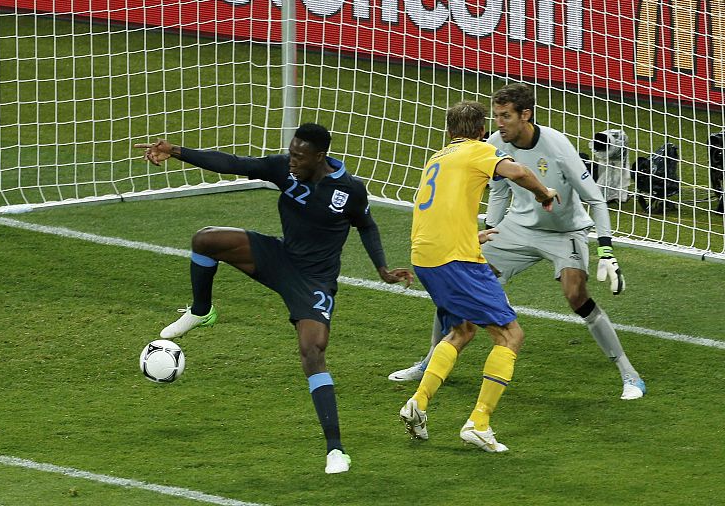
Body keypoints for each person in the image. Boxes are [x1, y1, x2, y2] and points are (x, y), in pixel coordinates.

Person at [135, 123, 412, 474]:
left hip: (313, 280)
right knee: (205, 240)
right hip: (280, 257)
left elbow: (367, 225)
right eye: (291, 153)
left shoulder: (349, 190)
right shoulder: (284, 169)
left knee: (312, 352)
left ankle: (335, 450)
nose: (292, 161)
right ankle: (201, 311)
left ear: (319, 156)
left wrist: (382, 268)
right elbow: (234, 164)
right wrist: (176, 151)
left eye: (299, 156)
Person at [389, 83, 647, 401]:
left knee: (576, 294)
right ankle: (430, 360)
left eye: (506, 116)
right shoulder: (494, 143)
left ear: (525, 115)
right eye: (496, 116)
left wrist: (606, 252)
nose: (498, 123)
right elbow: (498, 194)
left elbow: (595, 199)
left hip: (565, 232)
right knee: (459, 281)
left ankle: (629, 374)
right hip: (517, 228)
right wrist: (489, 233)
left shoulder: (556, 145)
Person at [398, 101, 558, 452]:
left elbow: (438, 209)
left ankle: (418, 403)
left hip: (425, 257)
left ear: (448, 131)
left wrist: (471, 236)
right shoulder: (478, 150)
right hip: (457, 260)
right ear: (482, 131)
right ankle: (479, 422)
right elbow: (518, 172)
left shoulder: (437, 158)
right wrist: (543, 193)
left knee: (462, 330)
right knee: (510, 335)